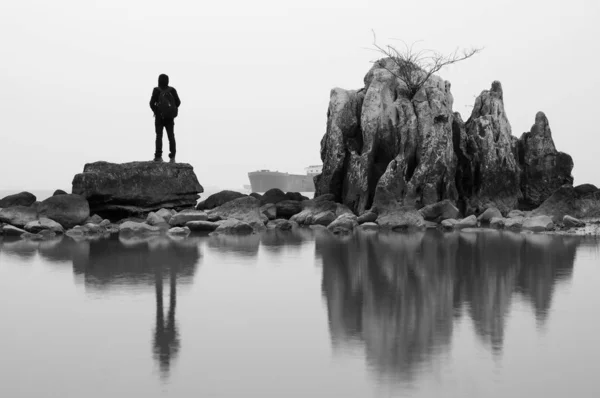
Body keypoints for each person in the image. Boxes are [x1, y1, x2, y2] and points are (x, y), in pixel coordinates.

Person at [149, 74, 181, 163]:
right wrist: (170, 109)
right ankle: (172, 157)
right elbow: (178, 102)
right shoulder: (172, 90)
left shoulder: (156, 90)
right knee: (171, 136)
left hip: (159, 117)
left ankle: (158, 157)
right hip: (170, 117)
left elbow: (151, 103)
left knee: (159, 135)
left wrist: (157, 110)